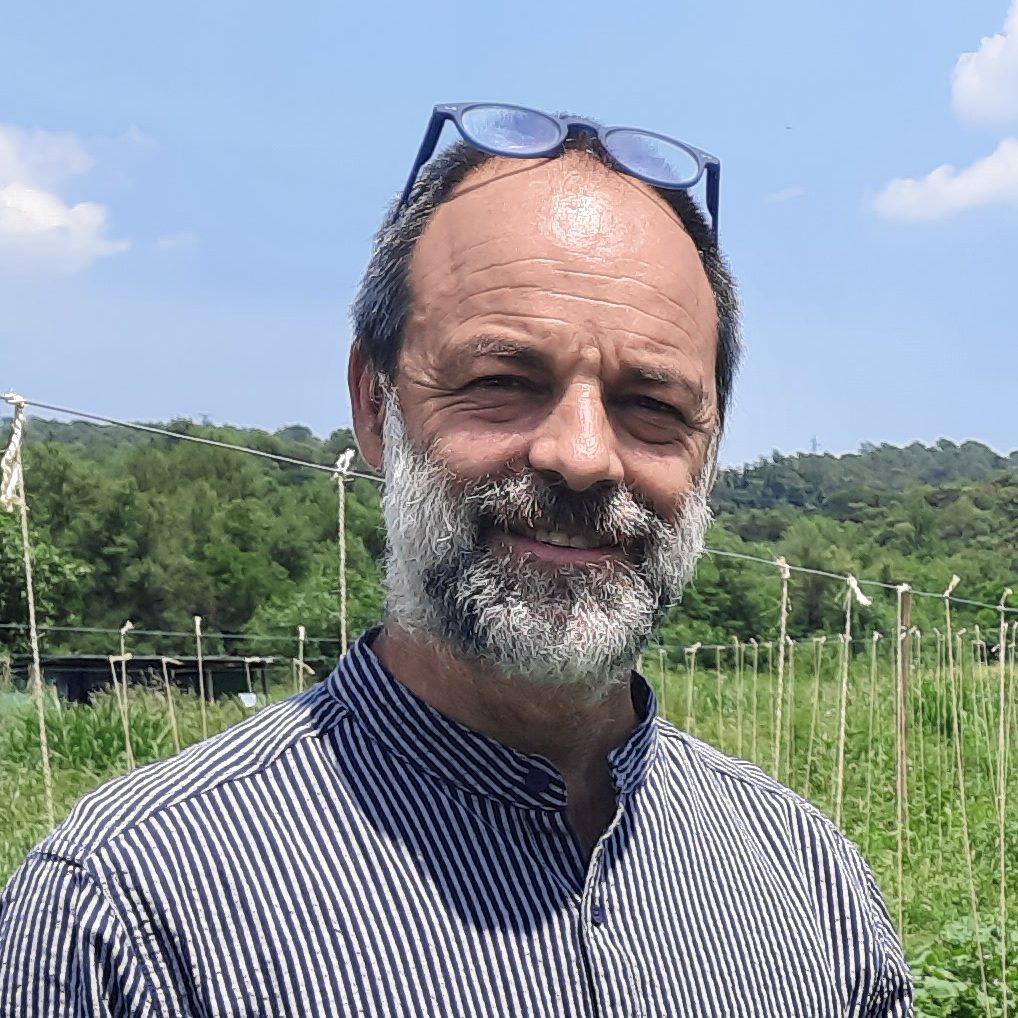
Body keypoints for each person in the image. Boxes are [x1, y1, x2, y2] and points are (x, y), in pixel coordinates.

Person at [0, 103, 913, 1017]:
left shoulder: (808, 884)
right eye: (504, 382)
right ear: (374, 406)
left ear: (707, 451)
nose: (584, 456)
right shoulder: (131, 916)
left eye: (653, 403)